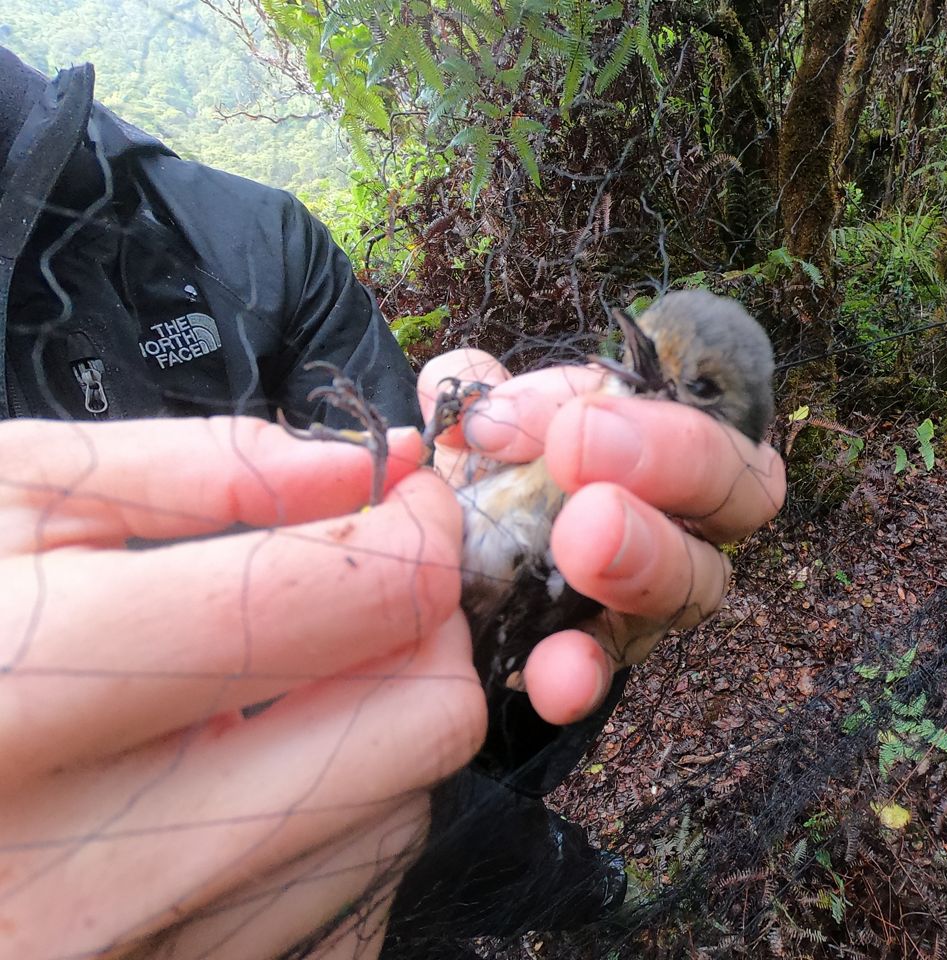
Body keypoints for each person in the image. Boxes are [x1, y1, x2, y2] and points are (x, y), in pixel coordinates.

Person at [0, 47, 786, 959]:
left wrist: (540, 611)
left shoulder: (239, 239)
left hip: (432, 835)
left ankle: (587, 887)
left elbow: (445, 593)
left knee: (517, 854)